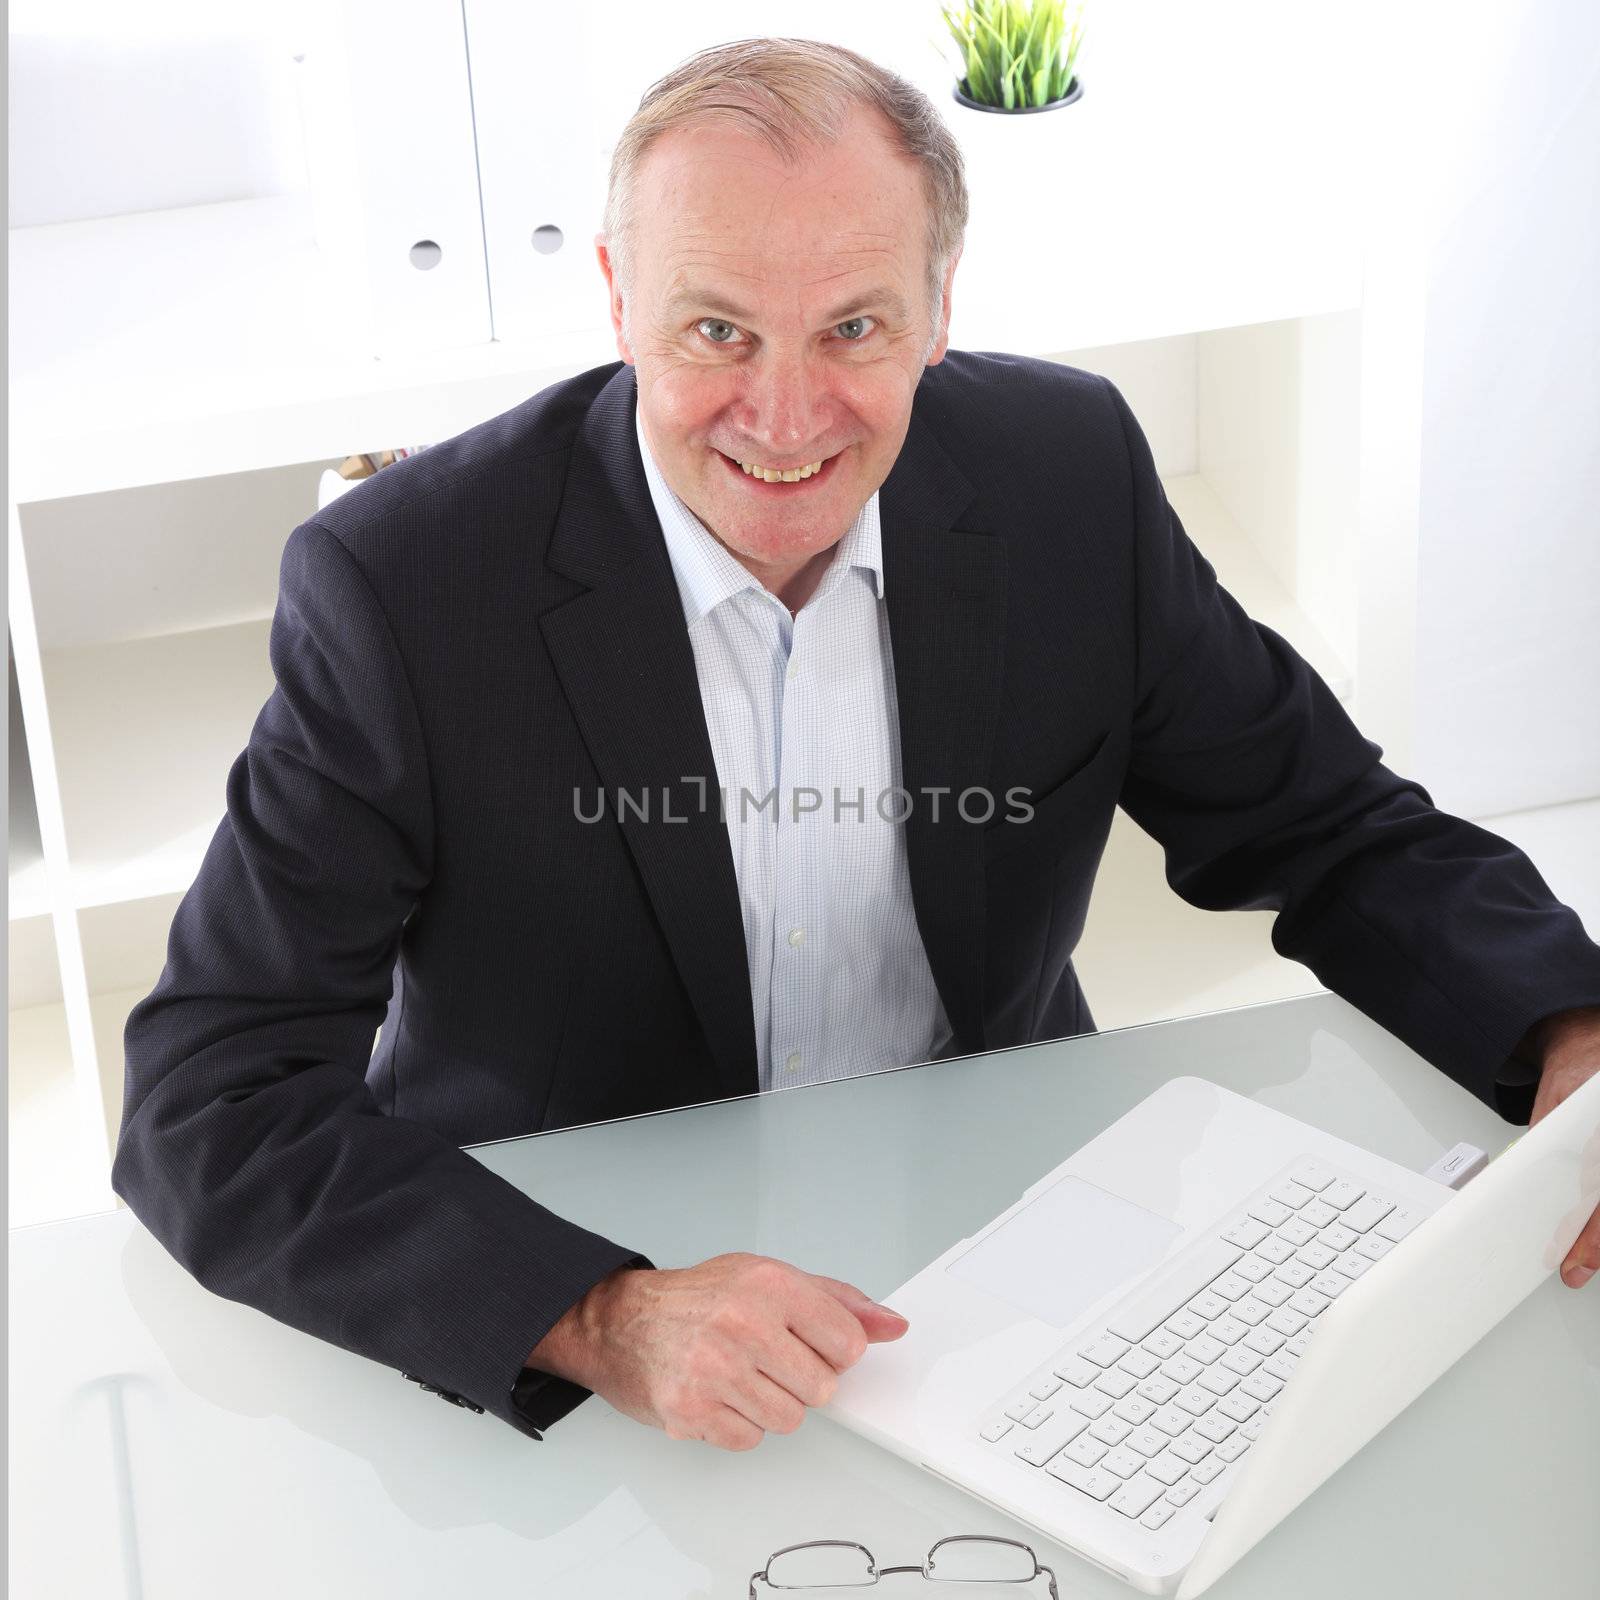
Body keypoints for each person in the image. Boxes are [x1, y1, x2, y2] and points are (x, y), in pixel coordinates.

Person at [113, 38, 1600, 1456]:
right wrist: (594, 1313)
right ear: (621, 297)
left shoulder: (1067, 474)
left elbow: (1334, 827)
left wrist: (1566, 1030)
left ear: (939, 306)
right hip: (588, 1252)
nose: (783, 413)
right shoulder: (405, 587)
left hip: (1003, 1230)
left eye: (854, 328)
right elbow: (210, 1094)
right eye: (715, 330)